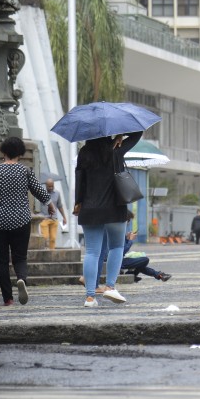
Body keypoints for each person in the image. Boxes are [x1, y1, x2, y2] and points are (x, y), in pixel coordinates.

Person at [0, 137, 54, 306]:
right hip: (21, 218)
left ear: (3, 152)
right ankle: (21, 279)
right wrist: (50, 204)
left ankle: (8, 299)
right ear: (20, 153)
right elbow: (38, 190)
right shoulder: (25, 171)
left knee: (2, 260)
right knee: (20, 257)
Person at [75, 131, 142, 308]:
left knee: (91, 252)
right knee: (117, 246)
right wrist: (120, 135)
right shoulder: (116, 149)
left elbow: (79, 179)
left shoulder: (84, 153)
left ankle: (90, 297)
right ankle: (110, 287)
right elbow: (138, 132)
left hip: (90, 208)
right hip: (114, 207)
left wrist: (77, 202)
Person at [38, 178, 67, 250]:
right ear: (46, 185)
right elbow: (37, 206)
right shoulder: (41, 193)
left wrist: (64, 217)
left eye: (52, 186)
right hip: (44, 218)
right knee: (45, 237)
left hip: (54, 218)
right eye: (49, 186)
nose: (51, 188)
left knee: (53, 238)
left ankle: (52, 253)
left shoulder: (57, 193)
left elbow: (60, 206)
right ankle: (45, 252)